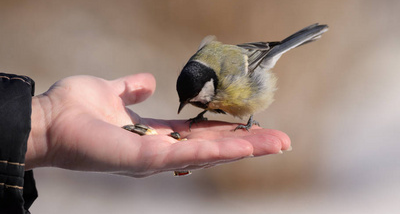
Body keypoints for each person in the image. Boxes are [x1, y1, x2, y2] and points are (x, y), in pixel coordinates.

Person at [0, 72, 291, 213]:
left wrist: (46, 124)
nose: (187, 106)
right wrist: (47, 124)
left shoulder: (226, 79)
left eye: (193, 99)